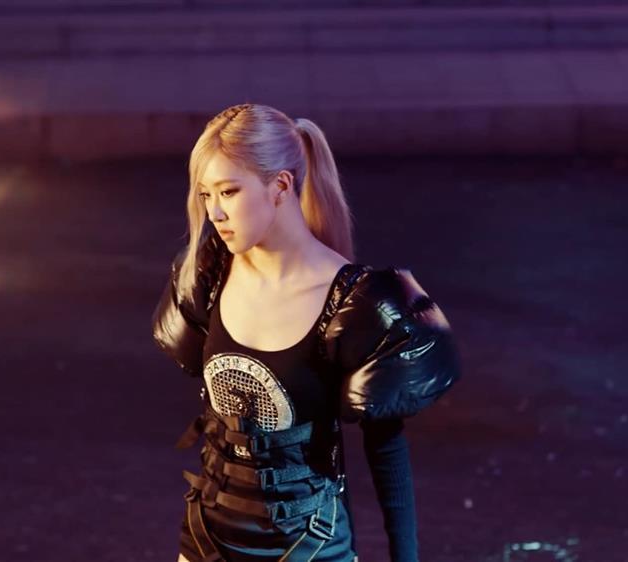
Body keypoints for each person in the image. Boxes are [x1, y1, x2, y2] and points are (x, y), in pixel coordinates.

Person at [152, 103, 462, 562]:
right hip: (206, 538)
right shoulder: (208, 277)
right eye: (205, 194)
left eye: (229, 191)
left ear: (280, 186)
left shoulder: (357, 303)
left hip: (308, 546)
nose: (215, 212)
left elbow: (386, 450)